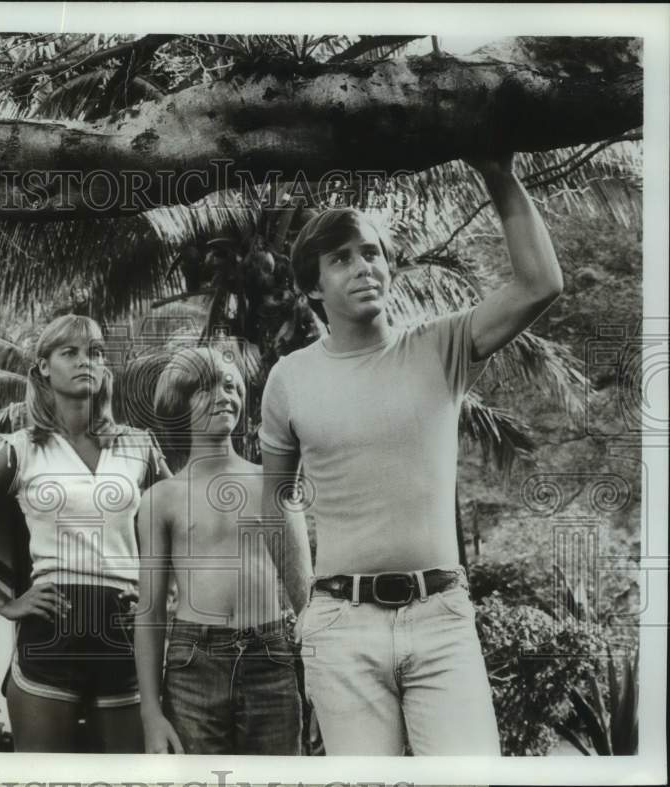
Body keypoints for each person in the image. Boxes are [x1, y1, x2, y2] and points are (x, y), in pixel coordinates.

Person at [259, 153, 563, 755]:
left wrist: (497, 171)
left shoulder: (441, 345)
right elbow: (276, 499)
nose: (362, 266)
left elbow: (540, 285)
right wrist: (307, 613)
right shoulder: (288, 379)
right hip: (341, 626)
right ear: (314, 286)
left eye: (371, 252)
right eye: (340, 258)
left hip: (441, 620)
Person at [0, 314, 170, 753]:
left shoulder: (139, 446)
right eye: (70, 352)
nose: (86, 362)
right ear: (44, 366)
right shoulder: (21, 449)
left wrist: (163, 599)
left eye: (95, 353)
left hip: (123, 632)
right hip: (51, 634)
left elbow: (182, 530)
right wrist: (6, 603)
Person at [135, 346, 301, 755]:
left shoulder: (272, 482)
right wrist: (151, 714)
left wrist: (320, 675)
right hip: (193, 665)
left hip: (272, 656)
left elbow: (306, 592)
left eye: (231, 385)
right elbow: (150, 610)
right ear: (177, 402)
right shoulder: (162, 499)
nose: (223, 395)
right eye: (205, 388)